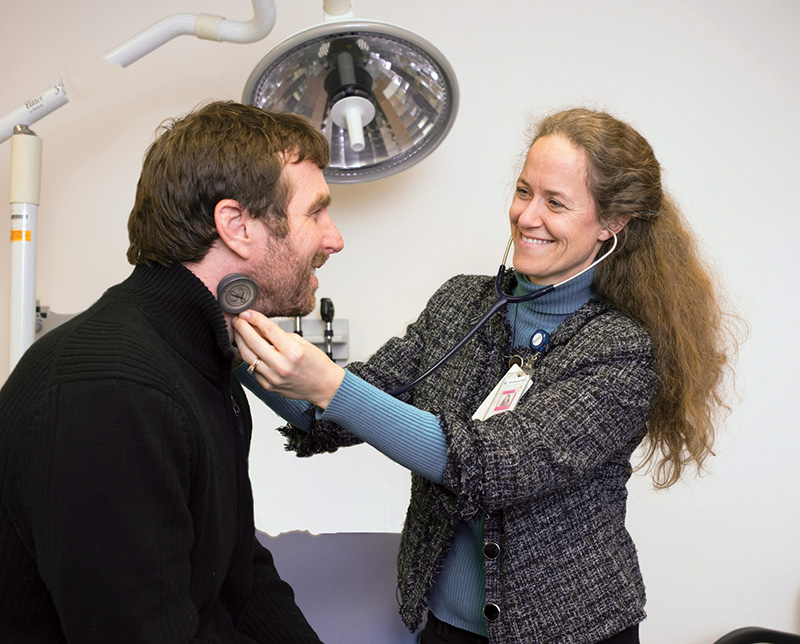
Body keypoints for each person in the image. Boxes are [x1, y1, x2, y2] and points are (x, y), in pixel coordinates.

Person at [233, 107, 739, 644]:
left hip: (571, 634)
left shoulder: (622, 350)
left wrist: (328, 385)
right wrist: (232, 344)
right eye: (524, 191)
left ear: (613, 224)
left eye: (556, 203)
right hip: (444, 630)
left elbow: (491, 465)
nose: (527, 216)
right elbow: (333, 415)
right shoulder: (461, 303)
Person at [0, 100, 343, 643]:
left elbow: (241, 577)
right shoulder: (110, 394)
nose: (334, 238)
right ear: (235, 225)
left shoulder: (206, 363)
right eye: (316, 212)